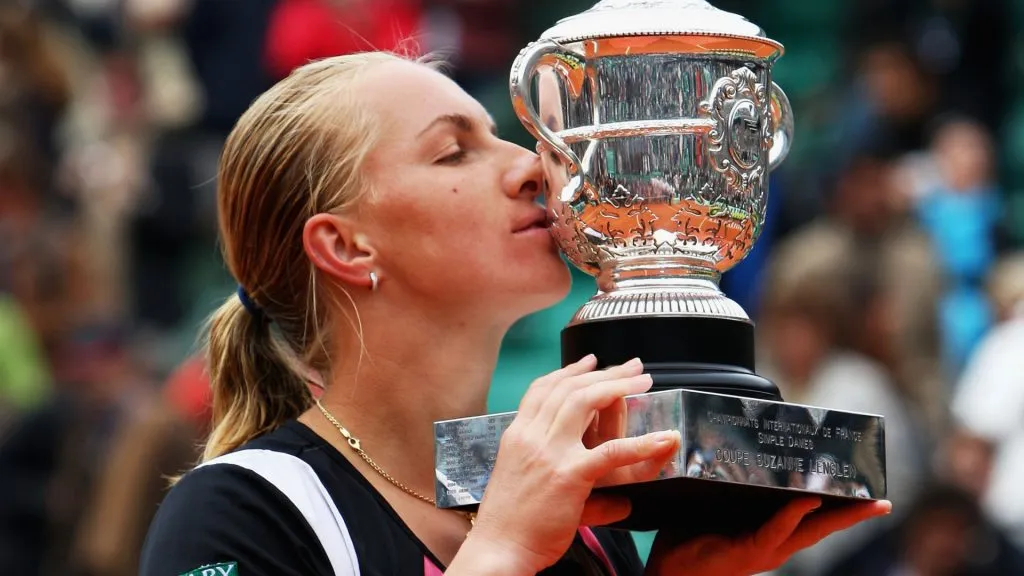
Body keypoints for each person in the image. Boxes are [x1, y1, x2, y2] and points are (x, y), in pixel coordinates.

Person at [138, 52, 890, 576]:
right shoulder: (242, 512)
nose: (533, 164)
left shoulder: (575, 515)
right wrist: (497, 555)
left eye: (498, 134)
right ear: (346, 244)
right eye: (453, 152)